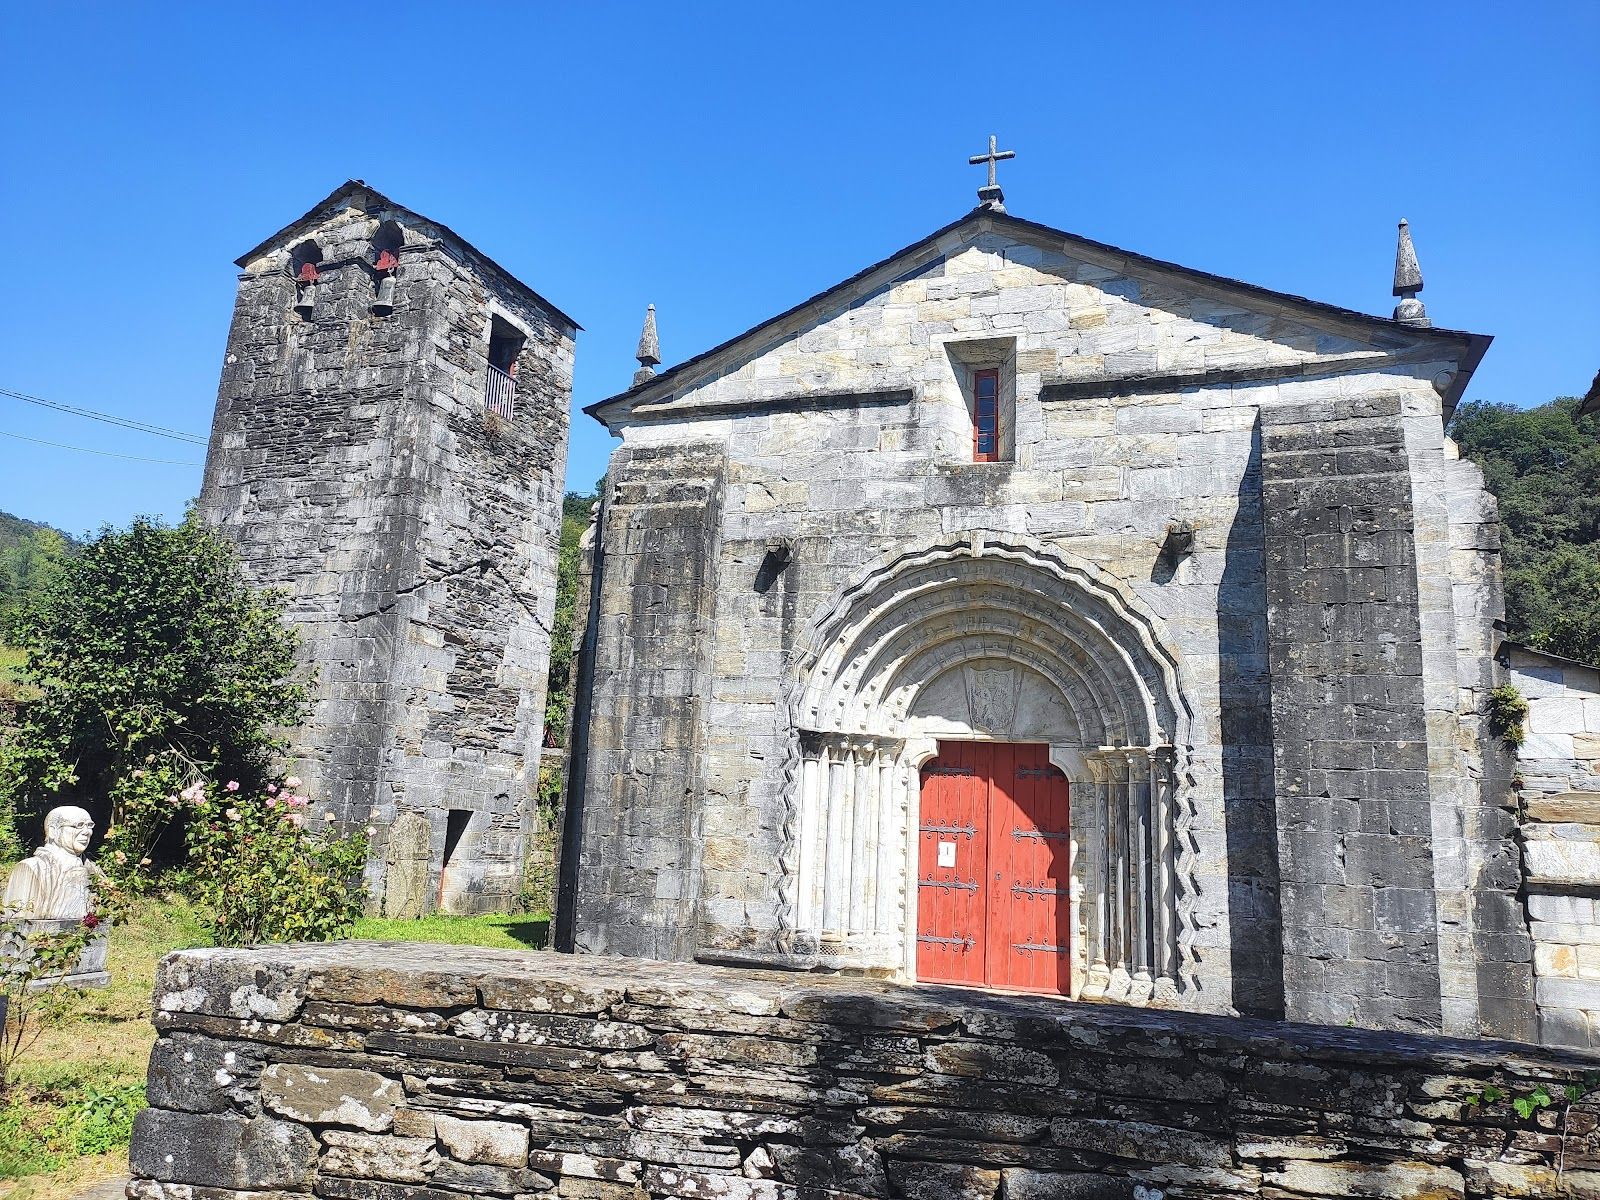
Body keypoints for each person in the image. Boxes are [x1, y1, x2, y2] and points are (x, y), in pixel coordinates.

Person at [3, 806, 104, 921]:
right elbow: (15, 925)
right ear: (53, 831)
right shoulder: (31, 868)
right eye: (79, 825)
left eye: (89, 825)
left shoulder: (95, 872)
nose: (87, 832)